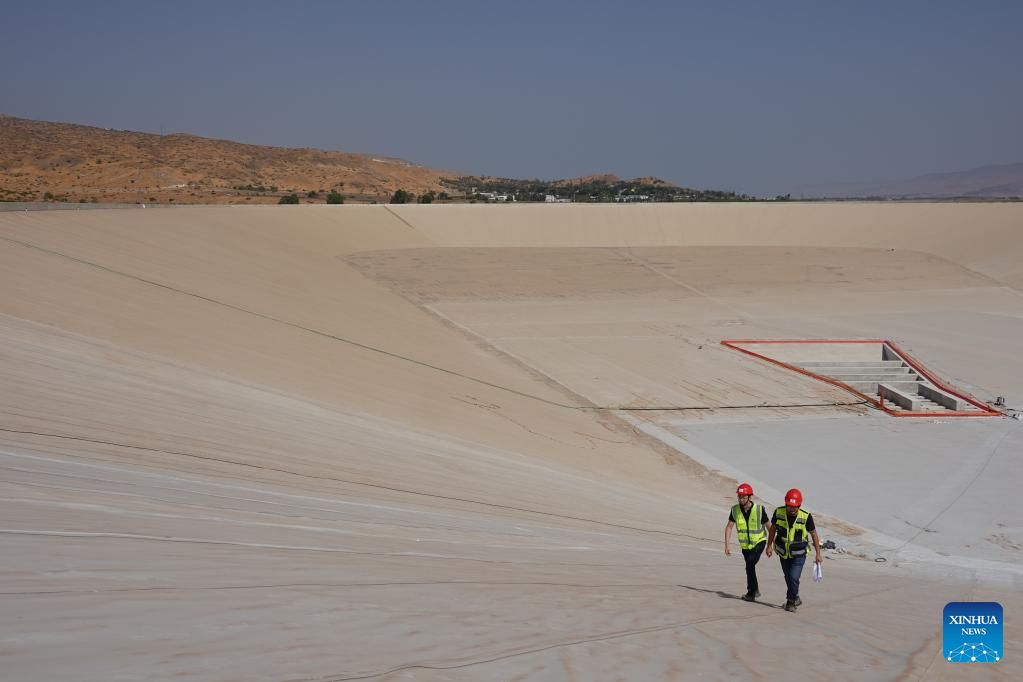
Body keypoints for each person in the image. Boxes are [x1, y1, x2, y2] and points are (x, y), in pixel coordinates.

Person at [766, 488, 822, 612]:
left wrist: (818, 554)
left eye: (794, 506)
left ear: (799, 505)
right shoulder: (778, 512)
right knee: (788, 576)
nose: (792, 509)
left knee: (793, 577)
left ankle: (791, 602)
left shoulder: (806, 516)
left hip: (799, 554)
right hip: (782, 552)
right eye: (789, 506)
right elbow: (772, 529)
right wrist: (769, 545)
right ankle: (796, 597)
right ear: (786, 504)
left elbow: (813, 534)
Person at [724, 483, 771, 602]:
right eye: (739, 496)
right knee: (749, 568)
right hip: (745, 546)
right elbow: (729, 527)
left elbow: (770, 527)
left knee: (750, 564)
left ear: (750, 497)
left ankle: (751, 593)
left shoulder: (759, 510)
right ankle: (754, 590)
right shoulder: (735, 510)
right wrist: (727, 545)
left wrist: (771, 545)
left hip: (759, 542)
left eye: (744, 497)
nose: (741, 499)